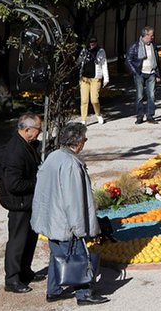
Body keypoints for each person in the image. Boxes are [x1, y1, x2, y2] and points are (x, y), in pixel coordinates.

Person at [31, 121, 108, 305]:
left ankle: (54, 290)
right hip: (65, 222)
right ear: (79, 141)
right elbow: (74, 202)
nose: (85, 142)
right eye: (85, 139)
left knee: (57, 256)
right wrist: (79, 228)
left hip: (51, 219)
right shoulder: (71, 164)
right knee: (78, 255)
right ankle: (84, 294)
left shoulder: (53, 156)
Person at [0, 113, 44, 294]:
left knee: (30, 238)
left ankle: (25, 271)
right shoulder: (15, 152)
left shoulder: (26, 144)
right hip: (18, 203)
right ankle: (12, 279)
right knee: (18, 241)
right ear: (27, 130)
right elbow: (14, 184)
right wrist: (38, 182)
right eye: (38, 130)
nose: (39, 133)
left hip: (27, 201)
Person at [126, 26, 161, 124]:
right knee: (139, 96)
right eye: (151, 35)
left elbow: (157, 60)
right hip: (140, 74)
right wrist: (135, 71)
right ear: (146, 35)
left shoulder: (153, 45)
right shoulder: (136, 46)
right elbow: (128, 60)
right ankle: (139, 116)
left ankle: (150, 116)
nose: (153, 37)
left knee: (151, 95)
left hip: (151, 73)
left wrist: (157, 74)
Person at [78, 38, 109, 125]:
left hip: (96, 78)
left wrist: (106, 78)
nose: (92, 44)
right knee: (84, 100)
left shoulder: (101, 51)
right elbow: (79, 62)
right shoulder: (84, 51)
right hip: (84, 78)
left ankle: (98, 114)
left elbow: (104, 64)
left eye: (94, 42)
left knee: (94, 99)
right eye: (91, 42)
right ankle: (83, 119)